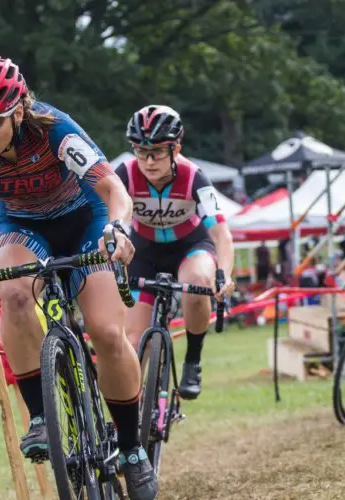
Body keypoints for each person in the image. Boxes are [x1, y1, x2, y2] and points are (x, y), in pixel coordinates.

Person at [0, 52, 156, 499]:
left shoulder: (55, 129)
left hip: (85, 219)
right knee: (12, 292)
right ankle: (41, 418)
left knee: (107, 332)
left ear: (19, 110)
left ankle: (132, 450)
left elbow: (113, 188)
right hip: (23, 225)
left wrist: (116, 227)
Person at [115, 105, 235, 401]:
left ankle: (193, 359)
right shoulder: (125, 174)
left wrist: (226, 274)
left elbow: (221, 233)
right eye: (141, 151)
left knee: (197, 284)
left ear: (176, 148)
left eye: (157, 151)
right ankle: (130, 415)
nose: (149, 160)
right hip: (144, 252)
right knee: (132, 342)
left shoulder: (194, 177)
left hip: (189, 247)